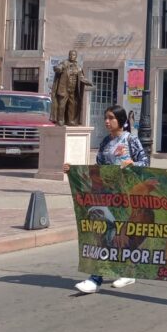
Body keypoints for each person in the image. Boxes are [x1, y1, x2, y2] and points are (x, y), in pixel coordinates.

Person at [68, 105, 149, 294]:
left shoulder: (131, 139)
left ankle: (127, 271)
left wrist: (132, 163)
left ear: (121, 120)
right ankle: (96, 277)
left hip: (126, 197)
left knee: (121, 236)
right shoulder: (105, 142)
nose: (107, 121)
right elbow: (98, 168)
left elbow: (145, 162)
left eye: (111, 118)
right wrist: (73, 170)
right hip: (107, 196)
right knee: (103, 233)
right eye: (106, 117)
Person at [50, 50, 93, 126]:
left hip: (73, 90)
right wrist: (57, 68)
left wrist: (88, 82)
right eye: (70, 55)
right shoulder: (64, 63)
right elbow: (58, 68)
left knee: (72, 106)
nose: (71, 56)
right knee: (62, 105)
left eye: (73, 55)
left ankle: (70, 121)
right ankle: (60, 120)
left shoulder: (78, 67)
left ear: (76, 56)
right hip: (64, 89)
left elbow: (81, 77)